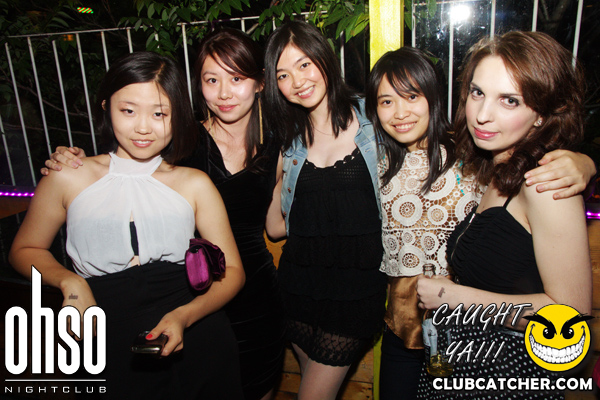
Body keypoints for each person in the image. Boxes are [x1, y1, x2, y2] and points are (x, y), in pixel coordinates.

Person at [41, 29, 285, 400]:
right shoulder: (179, 141)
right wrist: (69, 161)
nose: (224, 92)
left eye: (236, 78)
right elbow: (128, 168)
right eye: (211, 79)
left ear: (260, 83)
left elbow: (277, 221)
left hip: (252, 293)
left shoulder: (280, 145)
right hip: (189, 290)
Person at [365, 45, 595, 400]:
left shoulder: (543, 183)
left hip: (506, 372)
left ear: (542, 113)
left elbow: (571, 315)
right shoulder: (491, 170)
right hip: (456, 354)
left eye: (510, 100)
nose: (483, 115)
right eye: (477, 93)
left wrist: (453, 296)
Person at [264, 20, 388, 400]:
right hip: (298, 290)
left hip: (355, 295)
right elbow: (276, 227)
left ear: (324, 58)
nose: (297, 81)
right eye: (283, 74)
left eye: (304, 64)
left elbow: (433, 149)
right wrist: (275, 175)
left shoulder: (375, 117)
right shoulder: (289, 142)